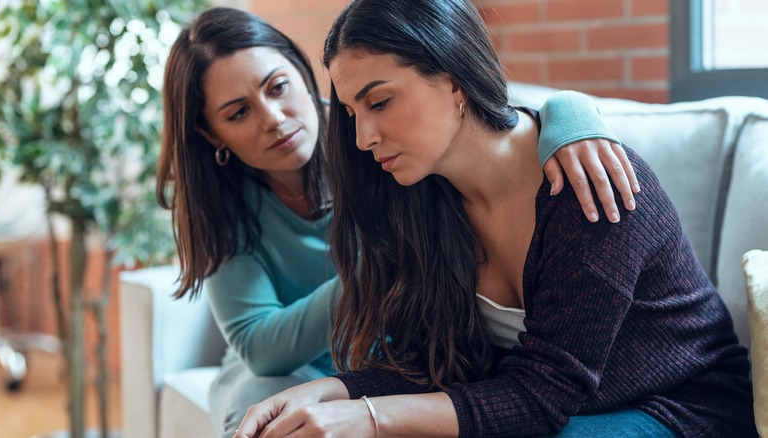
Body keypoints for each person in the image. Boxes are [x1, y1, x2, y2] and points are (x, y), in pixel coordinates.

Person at [233, 0, 757, 437]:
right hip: (570, 409)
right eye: (352, 113)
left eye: (382, 102)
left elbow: (542, 395)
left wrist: (368, 417)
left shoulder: (587, 186)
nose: (364, 136)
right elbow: (434, 370)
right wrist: (331, 390)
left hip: (680, 406)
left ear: (454, 79)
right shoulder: (426, 201)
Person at [157, 6, 642, 438]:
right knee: (259, 405)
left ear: (301, 72)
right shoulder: (230, 201)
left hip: (391, 353)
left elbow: (482, 109)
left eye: (278, 87)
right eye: (239, 112)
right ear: (210, 132)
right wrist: (383, 270)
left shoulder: (381, 140)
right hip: (317, 365)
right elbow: (260, 348)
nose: (274, 118)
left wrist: (572, 113)